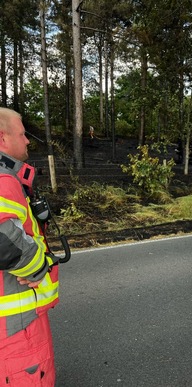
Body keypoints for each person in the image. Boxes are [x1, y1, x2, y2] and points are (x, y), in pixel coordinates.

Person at [0, 108, 59, 386]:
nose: (27, 141)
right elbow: (3, 238)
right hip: (14, 329)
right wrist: (38, 265)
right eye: (22, 134)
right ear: (2, 138)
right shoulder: (2, 180)